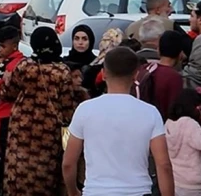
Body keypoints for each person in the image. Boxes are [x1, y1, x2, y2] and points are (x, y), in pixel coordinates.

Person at [63, 47, 175, 196]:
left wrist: (73, 192)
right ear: (135, 75)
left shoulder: (85, 110)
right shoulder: (150, 113)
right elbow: (164, 165)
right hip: (138, 191)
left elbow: (68, 163)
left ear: (103, 74)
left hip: (95, 192)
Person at [1, 26, 83, 196]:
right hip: (48, 133)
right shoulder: (61, 71)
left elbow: (8, 94)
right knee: (44, 177)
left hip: (21, 131)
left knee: (18, 175)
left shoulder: (24, 66)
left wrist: (6, 81)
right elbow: (67, 107)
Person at [0, 26, 25, 155]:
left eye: (3, 46)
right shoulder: (25, 62)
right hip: (20, 114)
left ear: (14, 46)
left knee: (3, 150)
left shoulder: (6, 65)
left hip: (4, 113)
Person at [147, 30, 187, 121]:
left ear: (158, 50)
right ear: (180, 54)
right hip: (162, 126)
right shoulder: (174, 77)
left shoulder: (146, 69)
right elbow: (174, 110)